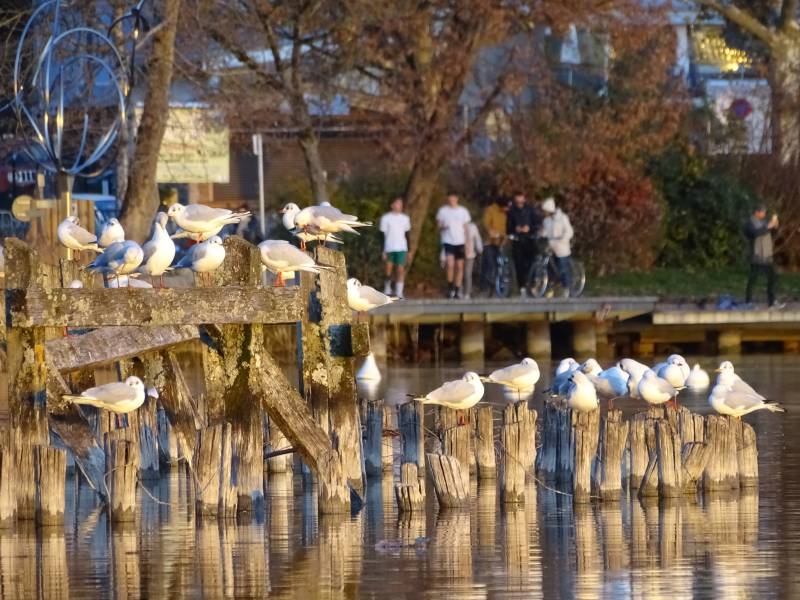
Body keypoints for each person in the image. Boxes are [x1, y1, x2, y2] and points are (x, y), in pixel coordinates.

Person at [745, 204, 782, 308]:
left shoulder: (764, 222)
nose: (764, 214)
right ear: (757, 212)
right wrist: (768, 226)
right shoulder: (749, 223)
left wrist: (775, 225)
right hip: (757, 256)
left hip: (767, 256)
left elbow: (773, 233)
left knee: (773, 276)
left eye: (765, 212)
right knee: (753, 279)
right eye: (762, 212)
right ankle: (748, 301)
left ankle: (772, 302)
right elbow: (755, 233)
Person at [436, 193, 472, 298]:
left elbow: (466, 228)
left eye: (453, 198)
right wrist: (443, 227)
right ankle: (450, 288)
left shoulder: (463, 211)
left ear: (457, 199)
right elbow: (439, 225)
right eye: (450, 198)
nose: (452, 200)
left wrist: (468, 243)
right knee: (450, 264)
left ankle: (457, 289)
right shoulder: (443, 211)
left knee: (460, 266)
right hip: (448, 241)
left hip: (460, 241)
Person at [506, 192, 540, 296]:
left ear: (524, 200)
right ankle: (522, 287)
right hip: (518, 242)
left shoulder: (530, 210)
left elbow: (537, 224)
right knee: (519, 266)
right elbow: (508, 228)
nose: (519, 203)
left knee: (532, 264)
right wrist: (515, 229)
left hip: (530, 241)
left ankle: (534, 284)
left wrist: (529, 228)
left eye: (521, 201)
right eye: (517, 201)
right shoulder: (511, 212)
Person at [541, 197, 574, 296]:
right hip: (551, 248)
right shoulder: (546, 221)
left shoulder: (562, 218)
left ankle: (567, 288)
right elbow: (546, 232)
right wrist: (541, 234)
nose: (543, 213)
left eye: (545, 211)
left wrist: (562, 239)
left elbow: (569, 231)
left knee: (563, 268)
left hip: (561, 248)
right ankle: (551, 287)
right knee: (550, 268)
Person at [379, 196, 411, 298]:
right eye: (397, 203)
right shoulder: (386, 218)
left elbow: (407, 234)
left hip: (401, 248)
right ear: (392, 205)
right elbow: (382, 235)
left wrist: (409, 250)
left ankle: (399, 292)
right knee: (388, 268)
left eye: (401, 204)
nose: (399, 206)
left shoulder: (405, 218)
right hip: (389, 247)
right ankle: (387, 288)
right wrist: (382, 250)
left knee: (400, 269)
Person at [481, 198, 508, 293]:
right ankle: (486, 286)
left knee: (501, 265)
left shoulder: (506, 213)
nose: (507, 209)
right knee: (490, 264)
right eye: (506, 207)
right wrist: (490, 231)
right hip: (490, 242)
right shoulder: (490, 210)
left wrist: (505, 236)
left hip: (502, 242)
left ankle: (500, 286)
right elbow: (485, 224)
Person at [463, 221, 483, 300]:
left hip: (469, 253)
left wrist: (479, 249)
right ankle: (458, 291)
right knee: (459, 272)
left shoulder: (472, 226)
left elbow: (477, 238)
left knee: (467, 273)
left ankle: (467, 292)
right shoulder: (455, 226)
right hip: (458, 253)